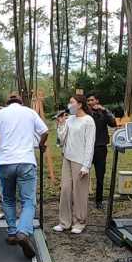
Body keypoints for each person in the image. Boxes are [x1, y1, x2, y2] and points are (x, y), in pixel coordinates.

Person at [0, 93, 49, 259]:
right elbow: (45, 131)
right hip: (26, 161)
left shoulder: (0, 114)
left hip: (5, 162)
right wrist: (41, 145)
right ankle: (23, 231)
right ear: (21, 102)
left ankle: (12, 232)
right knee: (28, 201)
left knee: (9, 199)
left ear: (7, 103)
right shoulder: (29, 112)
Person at [54, 94, 96, 234]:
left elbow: (90, 144)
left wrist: (86, 165)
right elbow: (61, 139)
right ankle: (64, 222)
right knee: (65, 189)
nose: (69, 105)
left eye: (72, 102)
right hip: (67, 158)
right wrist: (60, 124)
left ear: (79, 104)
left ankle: (79, 222)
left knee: (79, 192)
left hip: (80, 160)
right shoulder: (70, 119)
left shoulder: (88, 121)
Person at [86, 93, 116, 209]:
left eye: (92, 100)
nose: (90, 102)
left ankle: (99, 201)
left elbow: (113, 123)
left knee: (100, 176)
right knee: (83, 175)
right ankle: (81, 199)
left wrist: (104, 110)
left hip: (100, 148)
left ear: (97, 101)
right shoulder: (85, 114)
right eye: (88, 100)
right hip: (87, 148)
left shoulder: (103, 113)